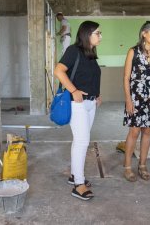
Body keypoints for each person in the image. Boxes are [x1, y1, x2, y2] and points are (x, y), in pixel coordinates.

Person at [53, 21, 102, 201]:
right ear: (87, 34)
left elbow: (89, 77)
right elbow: (58, 71)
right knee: (82, 142)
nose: (100, 36)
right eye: (97, 33)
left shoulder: (91, 54)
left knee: (80, 140)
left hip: (90, 103)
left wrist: (97, 95)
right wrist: (73, 91)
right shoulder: (74, 50)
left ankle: (75, 175)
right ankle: (78, 185)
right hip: (77, 103)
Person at [122, 21, 150, 182]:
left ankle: (142, 165)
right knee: (134, 131)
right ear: (143, 33)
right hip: (135, 98)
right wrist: (128, 100)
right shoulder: (133, 52)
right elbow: (126, 77)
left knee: (147, 131)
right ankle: (127, 166)